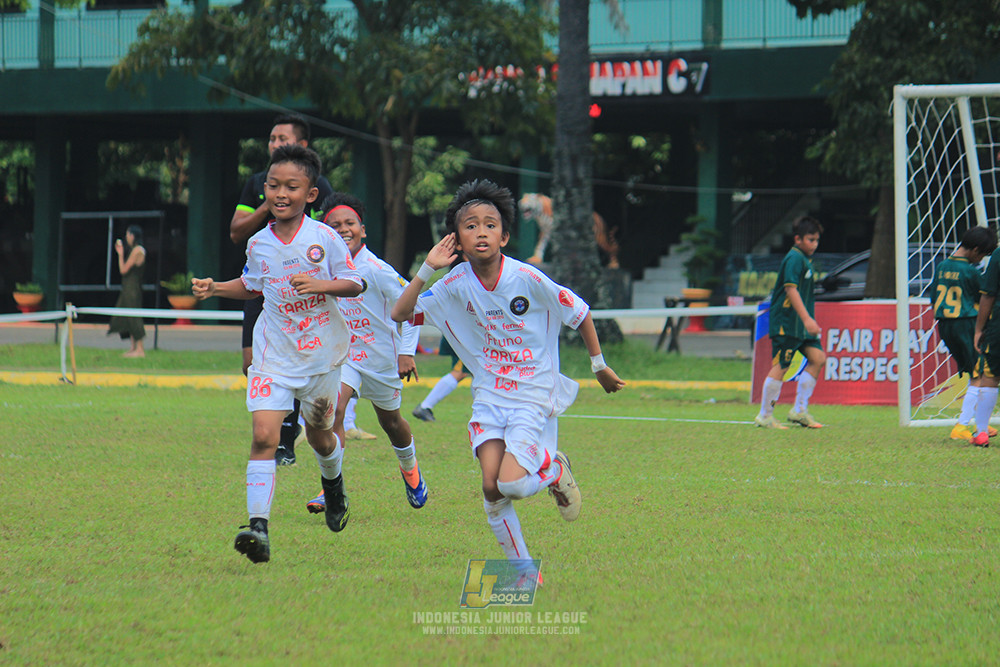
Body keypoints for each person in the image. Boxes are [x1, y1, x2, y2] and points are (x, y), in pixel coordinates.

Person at [391, 179, 626, 584]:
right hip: (489, 395)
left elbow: (580, 312)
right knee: (491, 488)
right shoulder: (453, 283)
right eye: (470, 226)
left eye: (490, 225)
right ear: (456, 240)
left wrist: (598, 365)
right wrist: (428, 268)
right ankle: (524, 574)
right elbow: (400, 313)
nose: (481, 232)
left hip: (532, 393)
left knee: (512, 485)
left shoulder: (526, 277)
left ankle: (553, 469)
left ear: (504, 235)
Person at [193, 145, 363, 564]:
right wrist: (216, 288)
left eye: (291, 186)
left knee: (321, 437)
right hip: (273, 355)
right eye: (273, 185)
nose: (280, 193)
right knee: (264, 436)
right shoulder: (258, 243)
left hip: (321, 355)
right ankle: (258, 528)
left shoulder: (325, 238)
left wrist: (322, 285)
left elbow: (354, 283)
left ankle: (334, 485)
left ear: (310, 194)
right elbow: (252, 285)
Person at [304, 192, 428, 514]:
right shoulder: (321, 270)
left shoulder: (376, 269)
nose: (343, 229)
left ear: (363, 230)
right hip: (343, 358)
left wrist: (406, 352)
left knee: (392, 423)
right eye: (335, 225)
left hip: (381, 361)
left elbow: (413, 309)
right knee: (335, 411)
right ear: (325, 232)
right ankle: (330, 487)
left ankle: (410, 469)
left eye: (350, 223)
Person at [230, 113, 336, 467]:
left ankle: (288, 439)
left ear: (301, 144)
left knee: (306, 375)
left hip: (309, 303)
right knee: (252, 363)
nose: (275, 143)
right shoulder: (257, 184)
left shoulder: (319, 189)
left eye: (282, 138)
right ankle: (280, 435)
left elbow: (331, 236)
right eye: (272, 138)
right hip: (264, 290)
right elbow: (237, 231)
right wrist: (269, 200)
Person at [754, 215, 826, 429]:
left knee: (818, 358)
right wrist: (807, 319)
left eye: (816, 240)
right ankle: (765, 415)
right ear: (798, 239)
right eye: (810, 240)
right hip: (787, 323)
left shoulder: (804, 260)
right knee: (782, 366)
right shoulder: (794, 258)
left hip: (800, 326)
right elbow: (790, 289)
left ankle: (799, 411)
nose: (814, 244)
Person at [930, 226, 997, 444]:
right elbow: (986, 296)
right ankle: (963, 425)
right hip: (966, 323)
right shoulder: (970, 272)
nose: (981, 259)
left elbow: (933, 298)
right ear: (976, 250)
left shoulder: (942, 266)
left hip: (945, 324)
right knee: (980, 374)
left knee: (973, 371)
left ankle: (979, 422)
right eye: (983, 254)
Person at [411, 336, 471, 422]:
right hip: (463, 336)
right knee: (461, 372)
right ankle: (425, 406)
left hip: (464, 336)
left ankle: (481, 413)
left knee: (474, 371)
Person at [108, 225, 146, 358]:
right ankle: (133, 347)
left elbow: (123, 270)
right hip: (129, 288)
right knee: (127, 316)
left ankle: (140, 349)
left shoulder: (137, 251)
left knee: (134, 317)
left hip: (132, 289)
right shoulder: (136, 250)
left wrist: (120, 254)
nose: (127, 238)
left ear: (133, 236)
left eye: (128, 235)